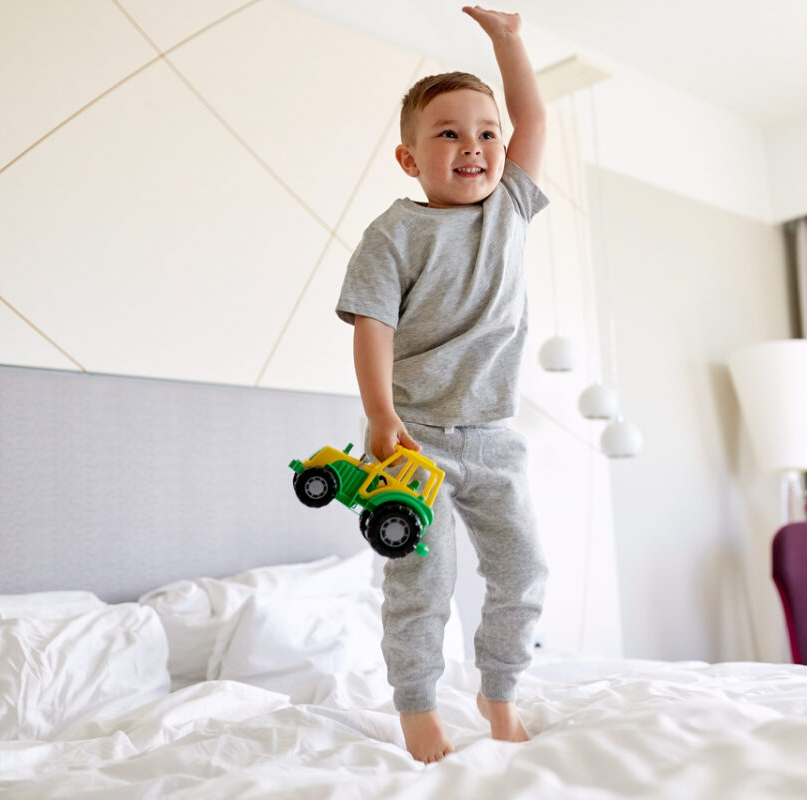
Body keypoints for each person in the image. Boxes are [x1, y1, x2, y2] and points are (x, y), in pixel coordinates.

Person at [334, 5, 549, 764]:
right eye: (449, 133)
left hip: (493, 434)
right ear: (409, 158)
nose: (474, 147)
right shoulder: (393, 234)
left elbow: (530, 115)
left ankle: (500, 687)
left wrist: (508, 42)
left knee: (523, 569)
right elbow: (372, 326)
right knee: (425, 580)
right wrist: (380, 415)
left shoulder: (511, 208)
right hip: (416, 435)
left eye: (486, 133)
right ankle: (419, 708)